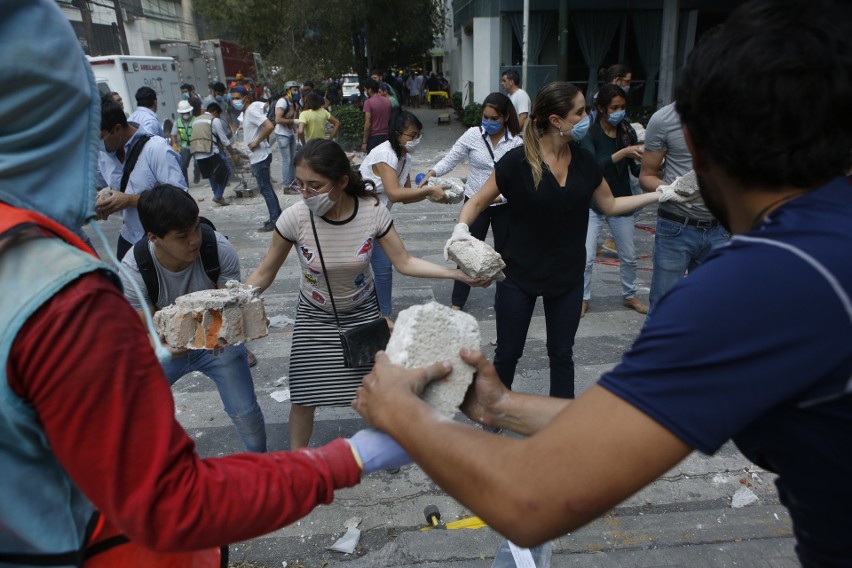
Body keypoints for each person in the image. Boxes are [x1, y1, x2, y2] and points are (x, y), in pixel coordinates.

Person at [352, 1, 852, 566]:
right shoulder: (816, 253)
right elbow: (636, 421)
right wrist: (502, 407)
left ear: (694, 140)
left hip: (564, 280)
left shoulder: (754, 287)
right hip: (523, 276)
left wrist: (403, 414)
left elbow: (530, 498)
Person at [0, 1, 410, 564]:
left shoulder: (42, 256)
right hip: (107, 548)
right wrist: (349, 459)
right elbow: (173, 502)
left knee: (245, 410)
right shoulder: (64, 298)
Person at [246, 139, 483, 449]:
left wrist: (456, 274)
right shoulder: (294, 218)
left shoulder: (371, 212)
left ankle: (385, 443)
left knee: (375, 390)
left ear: (342, 181)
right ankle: (297, 464)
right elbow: (264, 272)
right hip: (314, 318)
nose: (306, 194)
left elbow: (404, 261)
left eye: (315, 185)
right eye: (300, 185)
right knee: (304, 396)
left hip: (363, 314)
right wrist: (231, 300)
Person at [444, 82, 664, 399]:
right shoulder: (517, 162)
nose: (586, 116)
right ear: (557, 121)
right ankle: (494, 413)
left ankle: (561, 421)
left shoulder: (585, 162)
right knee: (508, 353)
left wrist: (659, 194)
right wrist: (461, 229)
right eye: (580, 112)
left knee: (562, 355)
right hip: (519, 275)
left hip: (567, 278)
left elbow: (610, 205)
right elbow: (477, 202)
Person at [121, 184, 265, 449]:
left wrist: (240, 323)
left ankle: (263, 468)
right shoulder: (134, 269)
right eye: (182, 236)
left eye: (196, 228)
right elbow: (149, 335)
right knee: (135, 411)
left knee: (245, 412)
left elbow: (228, 312)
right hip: (169, 348)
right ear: (154, 237)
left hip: (215, 346)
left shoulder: (217, 248)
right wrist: (164, 347)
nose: (194, 240)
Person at [418, 92, 523, 311]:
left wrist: (502, 196)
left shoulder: (516, 142)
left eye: (494, 118)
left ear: (505, 117)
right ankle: (458, 303)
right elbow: (452, 157)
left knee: (508, 254)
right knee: (465, 251)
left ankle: (508, 299)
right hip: (476, 202)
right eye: (485, 117)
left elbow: (520, 179)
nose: (489, 122)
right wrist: (432, 171)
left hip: (504, 204)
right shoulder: (473, 135)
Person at [639, 102, 728, 318]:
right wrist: (668, 190)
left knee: (713, 310)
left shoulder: (735, 114)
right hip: (676, 226)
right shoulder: (665, 119)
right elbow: (646, 175)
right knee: (664, 310)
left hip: (721, 228)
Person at [359, 110, 449, 321]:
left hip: (378, 218)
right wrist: (427, 191)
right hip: (358, 219)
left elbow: (406, 197)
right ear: (397, 133)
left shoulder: (404, 157)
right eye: (412, 135)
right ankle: (358, 313)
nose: (416, 140)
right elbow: (394, 192)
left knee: (383, 270)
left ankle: (383, 316)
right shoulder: (385, 154)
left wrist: (433, 193)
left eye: (418, 134)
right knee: (358, 270)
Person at [580, 84, 648, 316]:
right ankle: (583, 298)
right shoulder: (590, 133)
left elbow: (636, 169)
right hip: (594, 202)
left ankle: (630, 295)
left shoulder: (627, 131)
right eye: (614, 107)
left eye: (622, 107)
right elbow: (593, 166)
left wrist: (647, 161)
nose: (619, 112)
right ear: (601, 108)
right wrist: (623, 153)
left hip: (621, 200)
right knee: (587, 256)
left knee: (628, 256)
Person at [97, 99, 187, 259]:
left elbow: (179, 198)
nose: (96, 144)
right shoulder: (105, 154)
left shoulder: (156, 149)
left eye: (99, 137)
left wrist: (130, 200)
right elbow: (103, 187)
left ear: (117, 129)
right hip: (128, 237)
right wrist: (101, 204)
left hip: (159, 240)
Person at [230, 85, 282, 232]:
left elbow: (269, 126)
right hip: (257, 156)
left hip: (260, 156)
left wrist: (256, 142)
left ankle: (275, 220)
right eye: (233, 99)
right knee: (267, 188)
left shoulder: (251, 110)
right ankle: (276, 216)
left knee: (265, 189)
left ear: (246, 98)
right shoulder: (247, 112)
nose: (235, 101)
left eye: (237, 98)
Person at [190, 107, 240, 206]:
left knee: (210, 175)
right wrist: (233, 154)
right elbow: (224, 140)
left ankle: (218, 196)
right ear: (215, 112)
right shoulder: (214, 120)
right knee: (227, 171)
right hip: (210, 152)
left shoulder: (196, 120)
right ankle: (218, 195)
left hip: (197, 153)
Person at [274, 80, 301, 191]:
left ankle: (292, 182)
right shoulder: (282, 102)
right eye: (294, 90)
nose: (296, 92)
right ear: (288, 91)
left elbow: (291, 119)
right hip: (282, 134)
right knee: (287, 160)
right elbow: (278, 119)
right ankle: (286, 186)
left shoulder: (293, 103)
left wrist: (296, 129)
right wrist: (294, 121)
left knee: (292, 160)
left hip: (289, 133)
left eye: (297, 90)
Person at [170, 99, 197, 186]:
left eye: (187, 112)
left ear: (190, 111)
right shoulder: (177, 123)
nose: (185, 115)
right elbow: (173, 135)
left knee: (198, 163)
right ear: (180, 113)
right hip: (185, 146)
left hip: (196, 145)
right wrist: (174, 146)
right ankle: (185, 183)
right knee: (183, 166)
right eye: (183, 113)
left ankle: (197, 174)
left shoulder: (195, 120)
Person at [361, 78, 392, 153]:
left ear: (370, 90)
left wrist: (364, 142)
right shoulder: (387, 101)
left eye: (366, 89)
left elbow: (367, 123)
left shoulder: (368, 102)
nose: (365, 91)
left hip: (374, 138)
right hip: (387, 136)